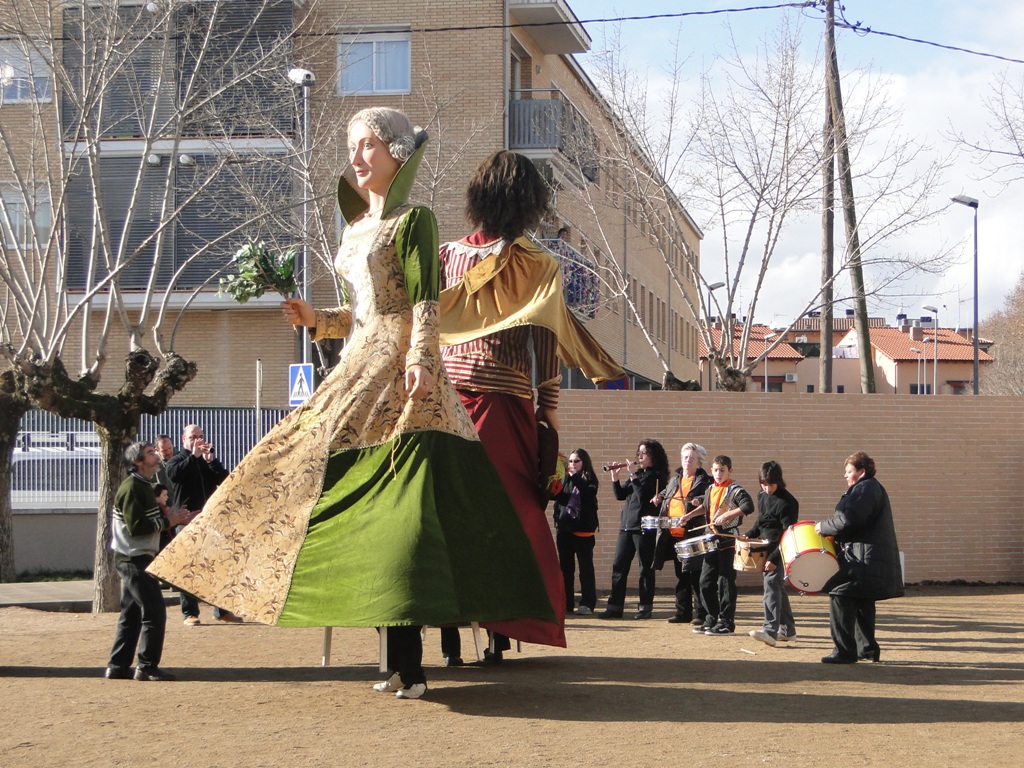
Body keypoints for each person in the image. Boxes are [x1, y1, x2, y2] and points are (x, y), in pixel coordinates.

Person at [150, 109, 558, 701]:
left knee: (401, 518)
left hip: (403, 376)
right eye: (352, 146)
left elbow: (422, 302)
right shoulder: (353, 229)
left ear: (396, 152)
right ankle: (374, 646)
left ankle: (410, 662)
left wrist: (420, 358)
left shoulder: (413, 220)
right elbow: (360, 312)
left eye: (369, 144)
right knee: (300, 470)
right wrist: (318, 319)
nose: (358, 156)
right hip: (359, 360)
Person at [437, 150, 622, 660]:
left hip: (448, 398)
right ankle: (499, 631)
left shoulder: (444, 255)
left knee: (453, 519)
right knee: (510, 522)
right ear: (529, 203)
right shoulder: (539, 261)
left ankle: (453, 634)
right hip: (507, 404)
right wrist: (550, 412)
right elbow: (547, 341)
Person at [105, 442, 190, 682]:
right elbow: (137, 528)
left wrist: (175, 519)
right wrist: (168, 522)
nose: (157, 456)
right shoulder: (134, 487)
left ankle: (118, 666)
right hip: (134, 558)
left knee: (131, 615)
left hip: (135, 556)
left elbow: (149, 523)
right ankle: (147, 666)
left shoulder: (144, 485)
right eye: (151, 453)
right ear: (138, 463)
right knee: (154, 612)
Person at [815, 452, 904, 664]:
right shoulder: (871, 488)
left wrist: (823, 527)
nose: (845, 476)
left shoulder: (865, 488)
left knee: (840, 594)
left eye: (849, 472)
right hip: (869, 558)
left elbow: (849, 519)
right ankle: (867, 650)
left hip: (862, 558)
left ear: (861, 472)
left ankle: (844, 651)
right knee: (862, 600)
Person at [165, 424, 238, 625]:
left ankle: (222, 610)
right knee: (188, 568)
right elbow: (174, 476)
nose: (197, 440)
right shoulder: (177, 460)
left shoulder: (205, 461)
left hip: (210, 521)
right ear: (183, 439)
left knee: (218, 566)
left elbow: (225, 481)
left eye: (200, 436)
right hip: (187, 522)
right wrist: (194, 456)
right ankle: (189, 613)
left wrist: (212, 462)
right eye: (193, 436)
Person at [599, 439, 670, 620]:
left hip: (644, 528)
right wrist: (615, 478)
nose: (639, 456)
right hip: (626, 526)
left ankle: (645, 607)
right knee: (619, 566)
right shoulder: (637, 474)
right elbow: (620, 495)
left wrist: (633, 476)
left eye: (643, 453)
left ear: (653, 455)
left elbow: (643, 496)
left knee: (645, 568)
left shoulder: (658, 476)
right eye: (638, 453)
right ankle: (614, 607)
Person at [690, 455, 754, 635]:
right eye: (716, 470)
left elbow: (748, 506)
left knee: (725, 582)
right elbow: (705, 506)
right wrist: (688, 516)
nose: (718, 474)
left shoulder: (735, 489)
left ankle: (727, 622)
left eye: (722, 470)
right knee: (705, 581)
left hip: (728, 540)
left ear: (730, 471)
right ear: (712, 470)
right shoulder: (711, 489)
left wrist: (728, 515)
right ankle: (711, 618)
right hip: (711, 539)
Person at [652, 443, 712, 625]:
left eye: (691, 458)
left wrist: (698, 500)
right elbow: (668, 492)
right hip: (673, 532)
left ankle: (701, 613)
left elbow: (709, 498)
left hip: (692, 532)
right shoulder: (675, 478)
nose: (687, 461)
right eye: (685, 457)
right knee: (681, 574)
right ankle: (682, 612)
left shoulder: (704, 481)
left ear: (699, 462)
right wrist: (660, 497)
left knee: (695, 574)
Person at [744, 461, 800, 647]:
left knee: (770, 588)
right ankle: (788, 631)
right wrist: (749, 535)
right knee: (777, 589)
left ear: (779, 482)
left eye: (771, 485)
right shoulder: (762, 495)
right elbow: (761, 522)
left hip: (780, 550)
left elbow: (787, 534)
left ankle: (770, 631)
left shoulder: (788, 502)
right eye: (763, 484)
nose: (767, 489)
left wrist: (774, 558)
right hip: (764, 548)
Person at [552, 448, 600, 616]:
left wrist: (575, 476)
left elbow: (588, 493)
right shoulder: (566, 479)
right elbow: (560, 497)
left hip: (583, 530)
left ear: (584, 463)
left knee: (585, 568)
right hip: (565, 528)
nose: (572, 464)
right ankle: (566, 603)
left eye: (576, 461)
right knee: (565, 568)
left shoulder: (589, 479)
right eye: (570, 461)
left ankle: (587, 603)